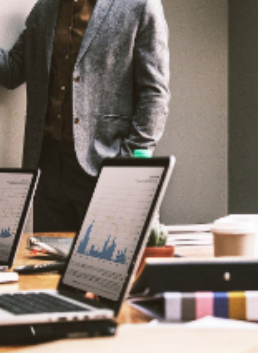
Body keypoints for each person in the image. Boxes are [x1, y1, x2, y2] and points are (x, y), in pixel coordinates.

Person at [0, 0, 170, 232]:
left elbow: (154, 93)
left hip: (106, 165)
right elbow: (13, 71)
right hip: (47, 167)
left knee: (104, 262)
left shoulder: (140, 5)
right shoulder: (44, 8)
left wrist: (129, 161)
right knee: (49, 265)